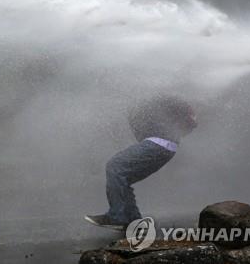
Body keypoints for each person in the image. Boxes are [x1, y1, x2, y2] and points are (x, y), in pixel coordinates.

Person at [85, 96, 198, 230]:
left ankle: (116, 217)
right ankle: (134, 223)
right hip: (163, 146)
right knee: (123, 177)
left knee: (115, 166)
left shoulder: (151, 100)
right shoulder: (136, 112)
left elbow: (181, 107)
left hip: (158, 142)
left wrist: (188, 119)